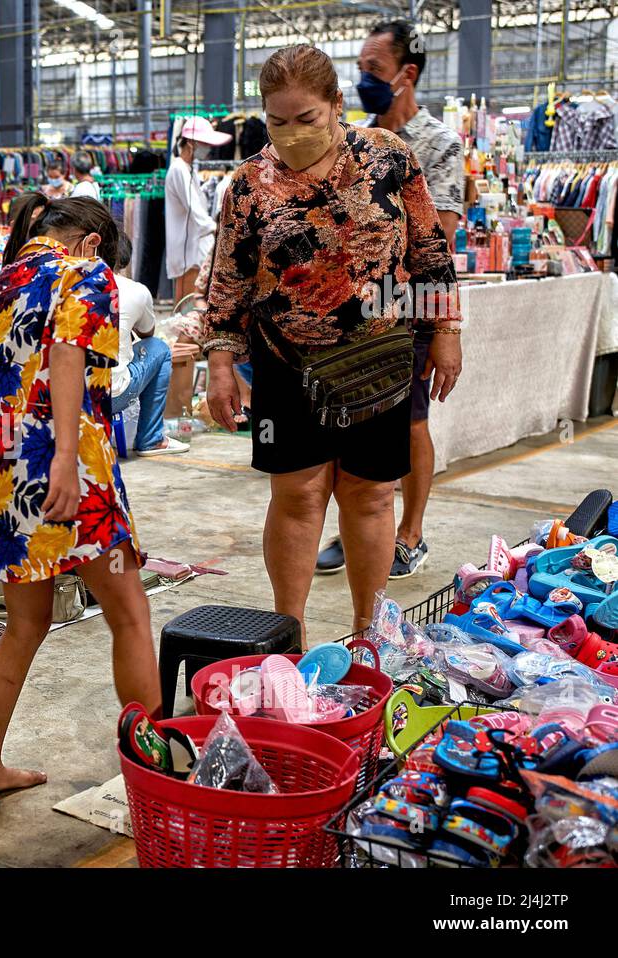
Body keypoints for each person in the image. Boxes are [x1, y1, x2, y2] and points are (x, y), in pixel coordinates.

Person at [0, 193, 160, 794]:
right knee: (130, 615)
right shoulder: (87, 271)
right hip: (76, 479)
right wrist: (65, 457)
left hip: (8, 489)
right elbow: (68, 353)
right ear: (93, 243)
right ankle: (152, 775)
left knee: (24, 627)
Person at [203, 44, 462, 638]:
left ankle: (372, 635)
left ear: (336, 105)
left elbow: (427, 250)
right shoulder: (247, 185)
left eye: (306, 119)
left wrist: (445, 331)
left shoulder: (389, 158)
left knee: (370, 497)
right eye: (277, 121)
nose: (290, 134)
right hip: (284, 361)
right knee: (297, 495)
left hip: (381, 359)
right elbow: (229, 281)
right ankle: (286, 632)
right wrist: (220, 364)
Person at [316, 20, 465, 580]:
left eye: (373, 71)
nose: (363, 81)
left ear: (407, 74)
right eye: (359, 69)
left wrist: (443, 330)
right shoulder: (353, 137)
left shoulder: (439, 143)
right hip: (352, 309)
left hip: (412, 303)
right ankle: (362, 521)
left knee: (409, 422)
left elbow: (439, 238)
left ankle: (410, 533)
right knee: (352, 424)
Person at [111, 235, 189, 456]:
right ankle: (151, 438)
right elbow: (147, 333)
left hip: (71, 397)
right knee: (159, 348)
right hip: (111, 395)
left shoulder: (67, 285)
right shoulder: (134, 290)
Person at [165, 117, 232, 303]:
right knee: (187, 308)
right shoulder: (179, 169)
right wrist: (217, 229)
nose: (208, 149)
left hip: (192, 246)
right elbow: (196, 211)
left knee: (191, 305)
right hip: (188, 250)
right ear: (192, 143)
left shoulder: (188, 170)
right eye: (205, 143)